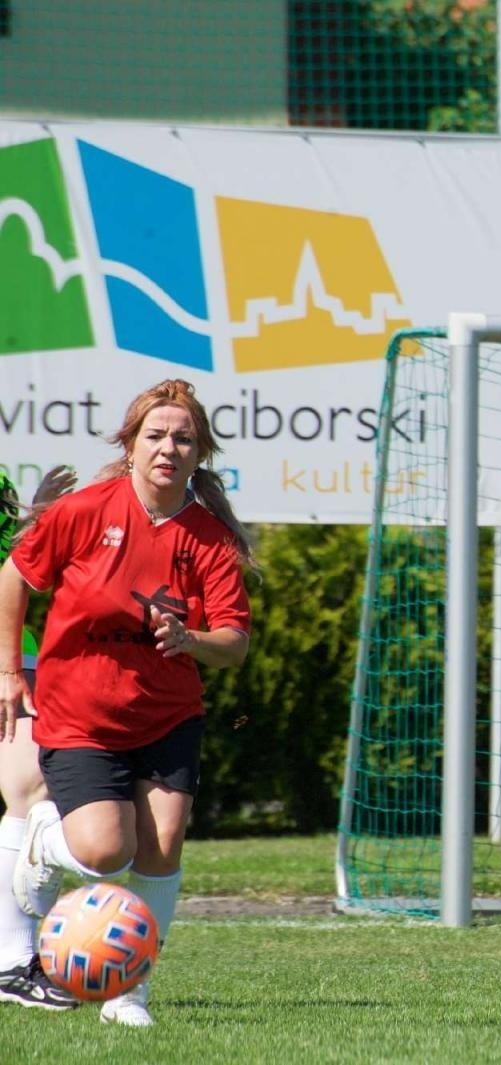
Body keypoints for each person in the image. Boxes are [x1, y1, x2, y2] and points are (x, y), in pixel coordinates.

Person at [0, 379, 254, 1028]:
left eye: (184, 438)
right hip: (81, 716)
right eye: (157, 435)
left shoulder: (209, 539)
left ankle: (127, 992)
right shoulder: (85, 511)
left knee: (162, 844)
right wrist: (8, 672)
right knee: (106, 850)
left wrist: (190, 638)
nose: (169, 447)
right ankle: (43, 847)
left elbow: (234, 644)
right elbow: (14, 578)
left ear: (200, 454)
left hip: (167, 716)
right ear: (131, 444)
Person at [0, 464, 77, 1011]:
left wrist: (34, 521)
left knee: (30, 788)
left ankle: (12, 963)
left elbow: (17, 570)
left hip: (14, 652)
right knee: (29, 790)